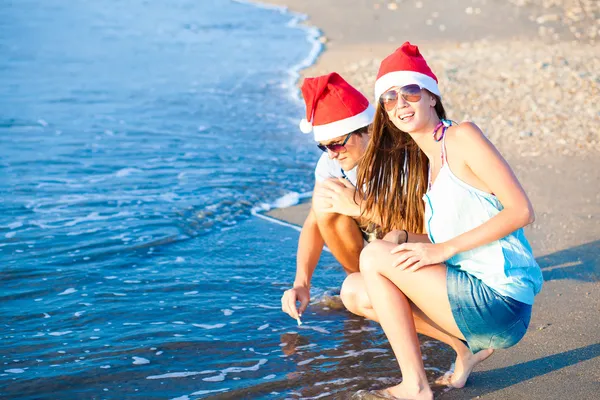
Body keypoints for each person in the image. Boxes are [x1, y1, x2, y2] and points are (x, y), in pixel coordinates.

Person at [352, 42, 544, 399]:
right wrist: (408, 236)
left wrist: (443, 249)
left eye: (409, 91)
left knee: (373, 257)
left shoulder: (462, 137)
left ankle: (416, 386)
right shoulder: (431, 163)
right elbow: (458, 230)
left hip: (501, 302)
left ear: (431, 96)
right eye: (389, 98)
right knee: (356, 292)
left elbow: (521, 211)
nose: (400, 103)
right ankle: (464, 350)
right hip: (470, 296)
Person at [280, 72, 379, 323]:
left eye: (336, 144)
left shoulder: (399, 158)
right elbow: (314, 221)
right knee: (325, 203)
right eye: (323, 146)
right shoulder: (330, 164)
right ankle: (358, 281)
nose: (331, 154)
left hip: (411, 241)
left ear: (366, 130)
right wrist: (302, 284)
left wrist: (360, 207)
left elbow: (422, 223)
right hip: (372, 241)